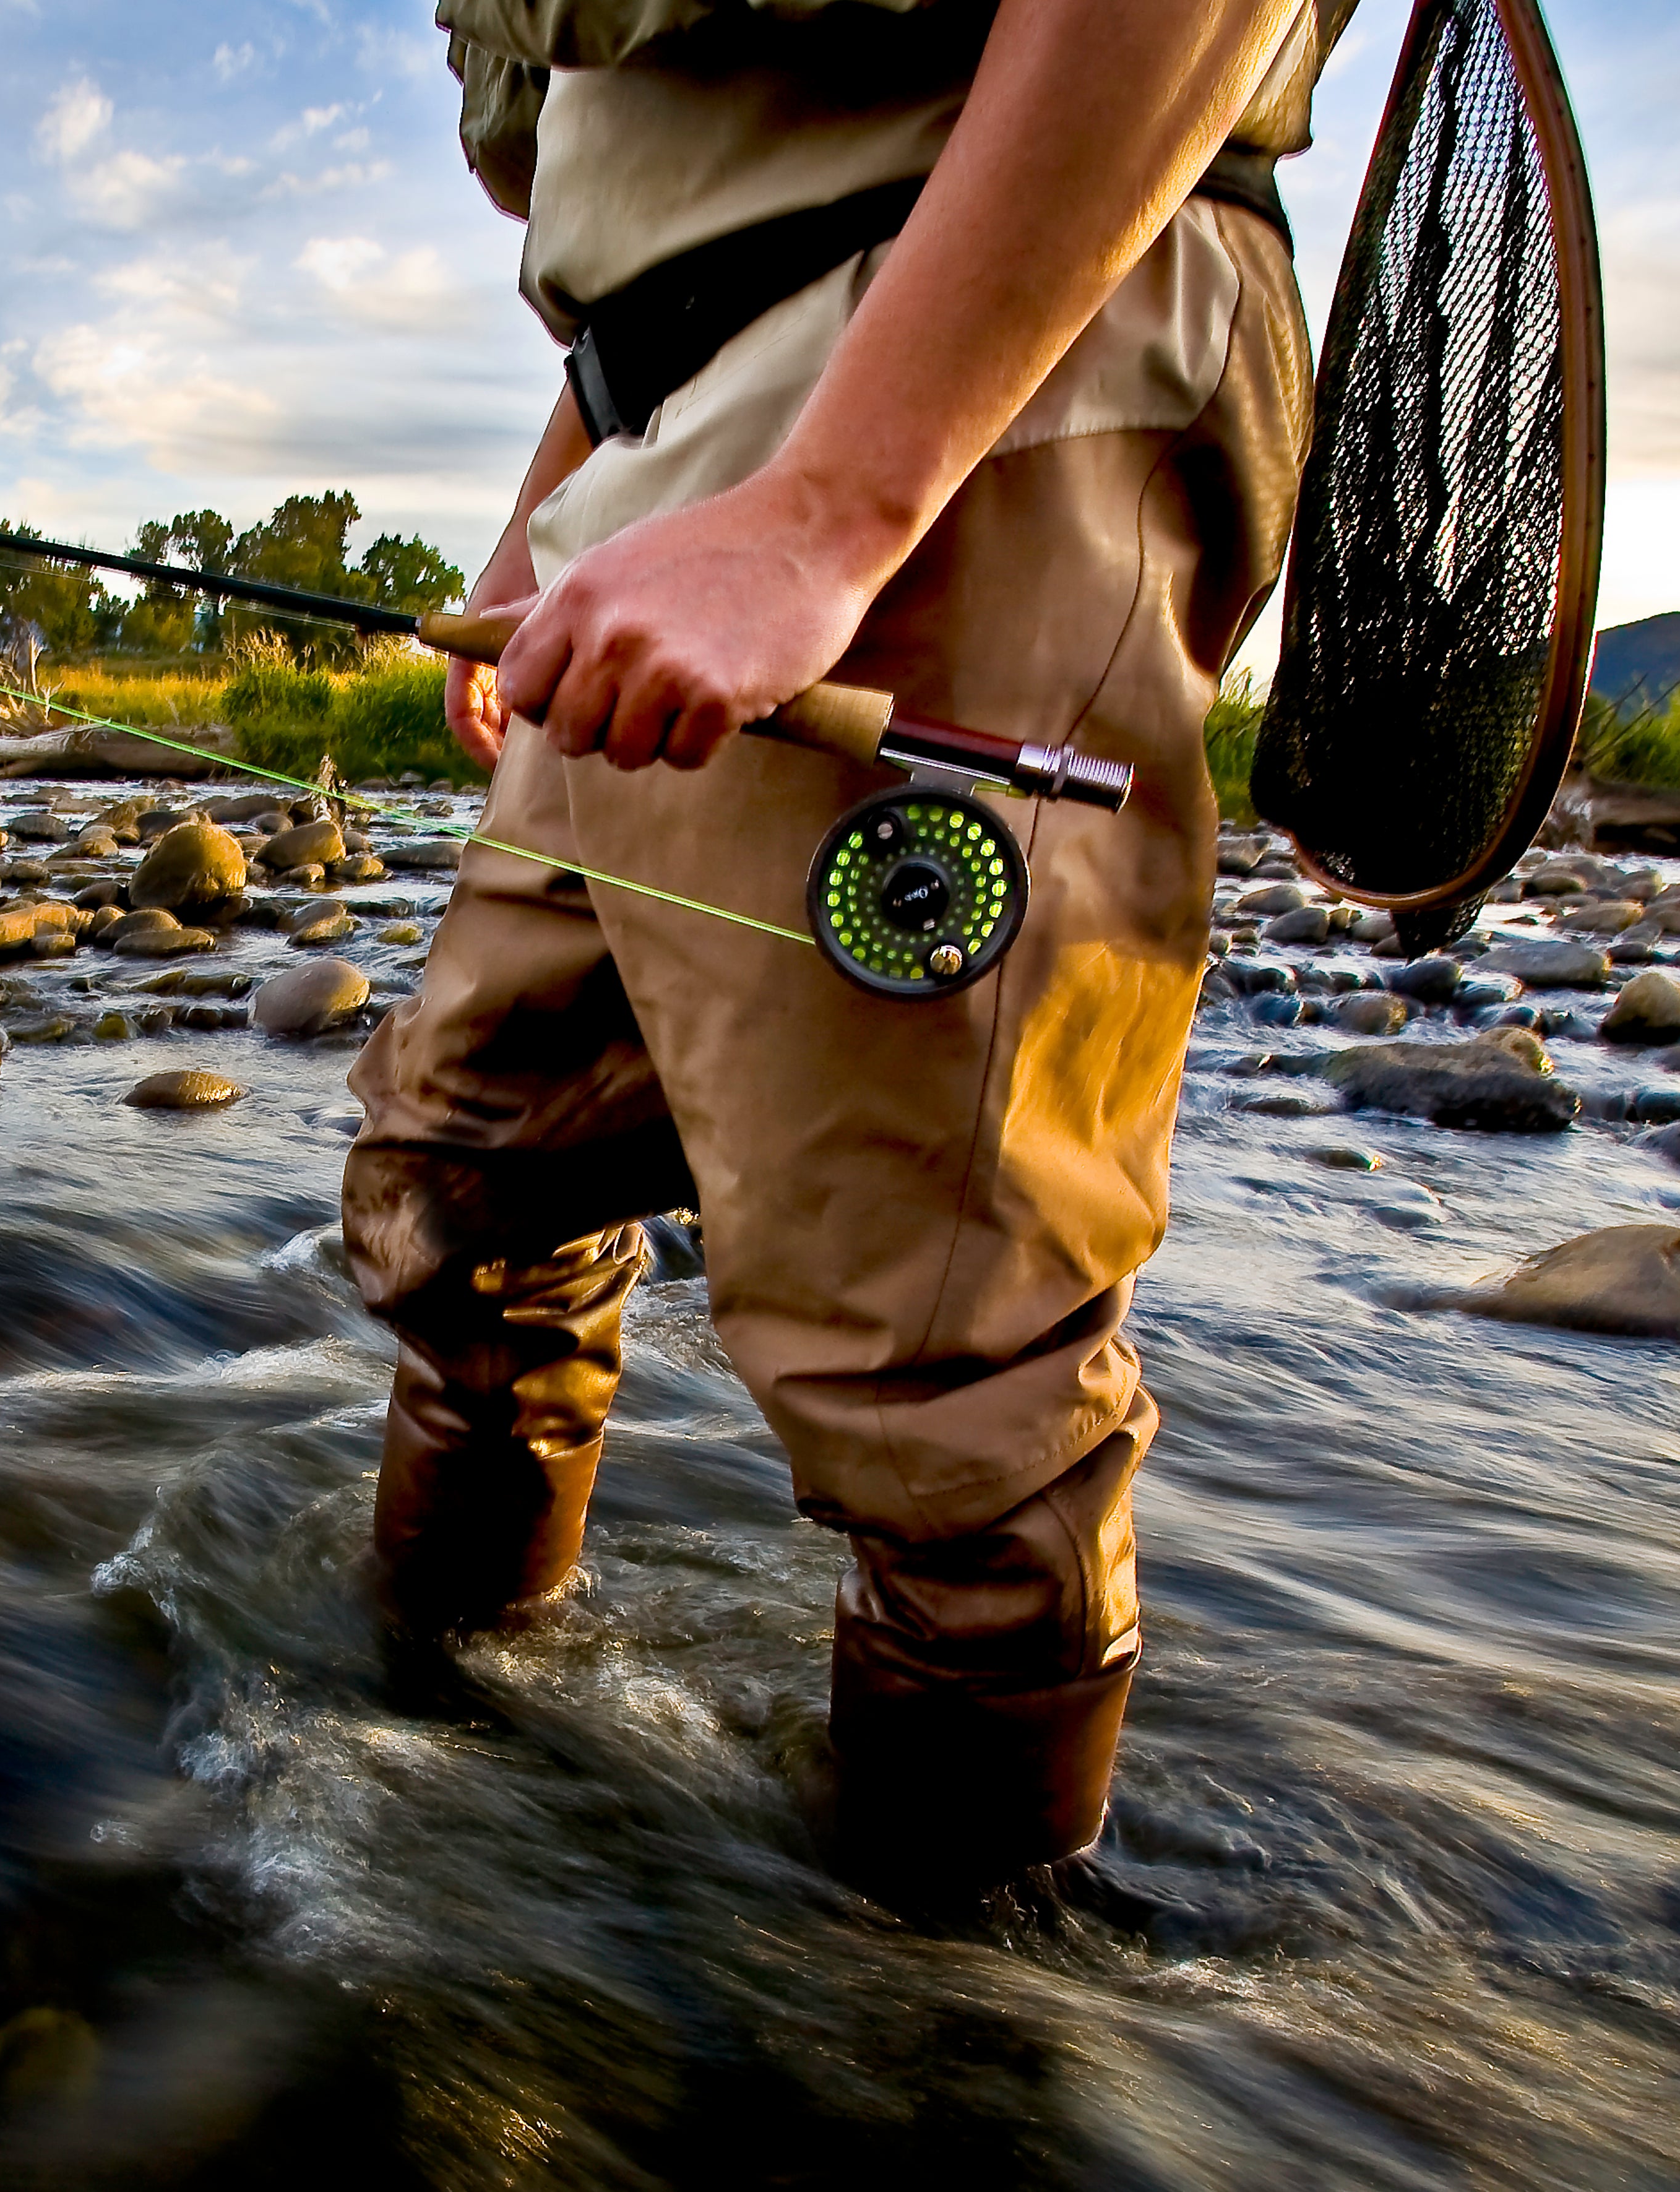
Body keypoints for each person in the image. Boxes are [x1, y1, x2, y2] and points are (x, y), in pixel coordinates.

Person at [348, 0, 1353, 1907]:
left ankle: (940, 2038)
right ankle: (409, 1782)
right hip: (651, 466)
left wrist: (832, 507)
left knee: (946, 1392)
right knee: (468, 1188)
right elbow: (621, 242)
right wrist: (532, 550)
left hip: (969, 363)